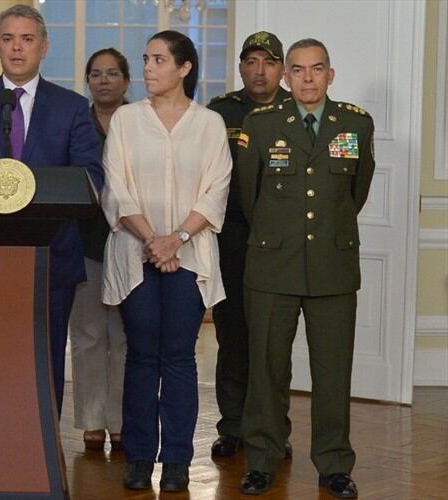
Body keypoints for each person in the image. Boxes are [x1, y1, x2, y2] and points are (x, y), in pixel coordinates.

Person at [0, 4, 103, 416]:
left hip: (52, 257)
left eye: (27, 39)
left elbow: (91, 177)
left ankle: (43, 460)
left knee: (44, 362)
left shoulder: (71, 107)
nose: (17, 48)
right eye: (8, 39)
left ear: (43, 47)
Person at [236, 38, 373, 499]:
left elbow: (356, 192)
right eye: (298, 69)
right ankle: (262, 459)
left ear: (330, 74)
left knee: (333, 372)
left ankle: (334, 465)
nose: (308, 78)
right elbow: (248, 197)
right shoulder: (262, 123)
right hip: (273, 264)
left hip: (333, 266)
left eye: (317, 69)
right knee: (267, 371)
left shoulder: (354, 123)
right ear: (286, 76)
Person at [101, 31, 231, 492]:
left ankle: (177, 460)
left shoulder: (210, 124)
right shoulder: (126, 121)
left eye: (159, 60)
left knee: (178, 359)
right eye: (146, 59)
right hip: (137, 256)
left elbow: (217, 191)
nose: (149, 68)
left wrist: (175, 239)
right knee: (141, 357)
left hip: (189, 260)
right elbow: (116, 188)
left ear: (184, 67)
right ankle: (139, 457)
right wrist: (153, 239)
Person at [206, 31, 293, 459]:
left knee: (274, 340)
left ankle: (275, 429)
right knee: (233, 334)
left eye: (269, 62)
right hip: (232, 238)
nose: (260, 71)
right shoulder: (221, 112)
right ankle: (233, 426)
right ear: (241, 66)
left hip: (283, 242)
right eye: (251, 61)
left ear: (281, 69)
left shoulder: (297, 112)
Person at [70, 47, 129, 451]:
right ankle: (92, 420)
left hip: (132, 242)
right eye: (96, 74)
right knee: (89, 334)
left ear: (126, 80)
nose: (104, 81)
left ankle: (122, 421)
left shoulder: (140, 121)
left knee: (125, 337)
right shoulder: (76, 121)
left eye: (112, 73)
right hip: (85, 240)